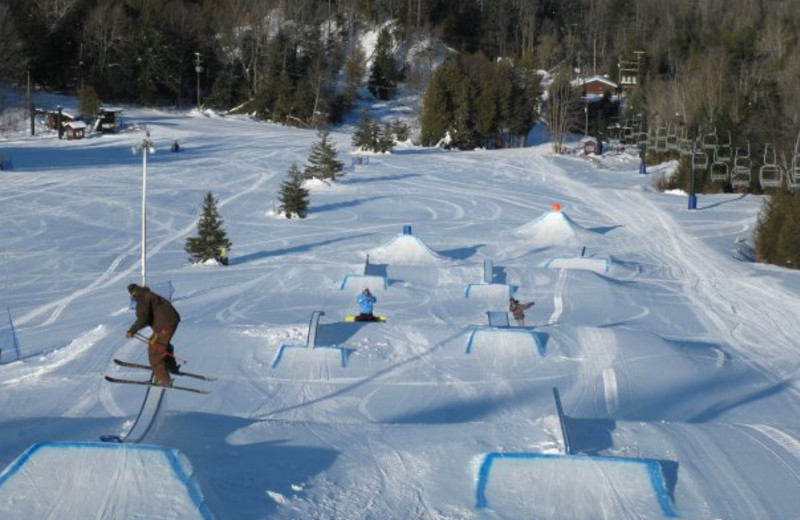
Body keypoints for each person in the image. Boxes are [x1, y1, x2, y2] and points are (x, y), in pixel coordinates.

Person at [126, 283, 181, 386]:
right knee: (159, 344)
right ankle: (171, 367)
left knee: (155, 351)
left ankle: (163, 380)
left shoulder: (143, 298)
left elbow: (143, 318)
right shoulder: (146, 294)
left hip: (165, 325)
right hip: (168, 322)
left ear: (133, 293)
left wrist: (132, 330)